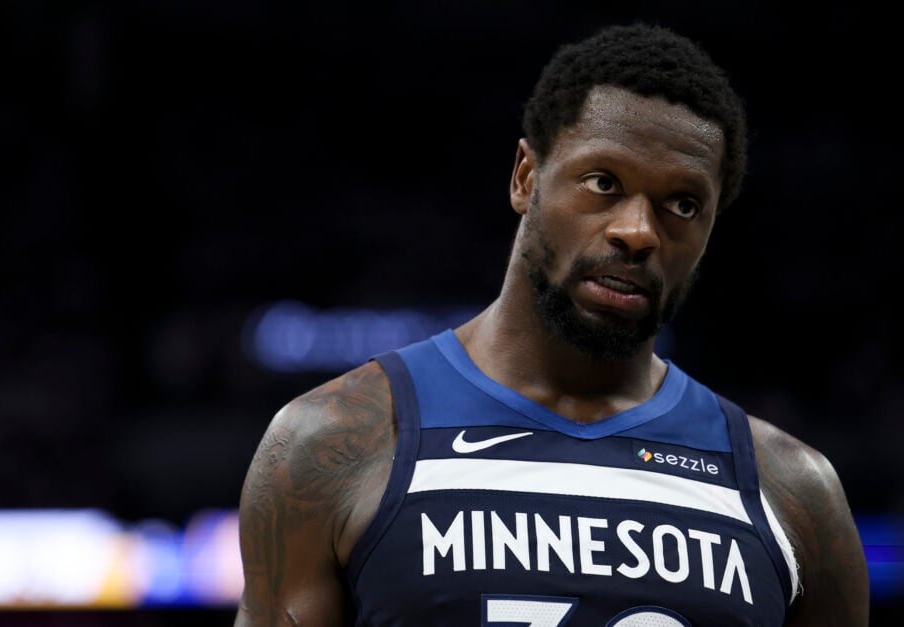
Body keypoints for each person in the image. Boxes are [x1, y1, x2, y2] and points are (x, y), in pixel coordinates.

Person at [234, 22, 869, 626]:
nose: (639, 232)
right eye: (603, 182)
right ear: (525, 177)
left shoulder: (793, 492)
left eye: (683, 204)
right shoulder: (335, 441)